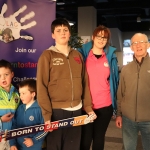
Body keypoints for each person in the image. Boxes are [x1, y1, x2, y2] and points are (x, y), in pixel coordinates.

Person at [36, 18, 96, 150]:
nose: (62, 33)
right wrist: (47, 116)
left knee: (73, 146)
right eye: (58, 31)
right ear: (53, 35)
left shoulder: (77, 55)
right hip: (57, 112)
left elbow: (84, 82)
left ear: (69, 33)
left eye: (65, 30)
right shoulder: (47, 56)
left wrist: (88, 107)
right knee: (55, 146)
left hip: (77, 111)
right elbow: (41, 86)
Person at [77, 25, 119, 150]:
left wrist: (115, 106)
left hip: (105, 105)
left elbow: (115, 81)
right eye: (99, 36)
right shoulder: (83, 55)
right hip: (86, 106)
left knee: (99, 140)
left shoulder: (110, 57)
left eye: (104, 38)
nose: (101, 40)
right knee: (85, 141)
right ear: (93, 37)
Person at [116, 33, 150, 150]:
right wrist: (119, 114)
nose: (138, 45)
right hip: (128, 119)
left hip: (149, 120)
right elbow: (121, 94)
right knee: (128, 148)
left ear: (148, 45)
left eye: (141, 42)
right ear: (131, 47)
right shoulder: (126, 69)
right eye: (135, 43)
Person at [10, 79, 47, 150]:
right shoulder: (20, 108)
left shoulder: (40, 109)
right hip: (19, 147)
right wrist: (13, 143)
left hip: (35, 147)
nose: (21, 96)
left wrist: (34, 140)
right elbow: (14, 126)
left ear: (33, 94)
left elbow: (46, 129)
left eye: (23, 93)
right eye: (20, 93)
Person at [0, 59, 20, 150]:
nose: (3, 78)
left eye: (6, 74)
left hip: (12, 138)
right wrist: (1, 120)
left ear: (12, 74)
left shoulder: (18, 93)